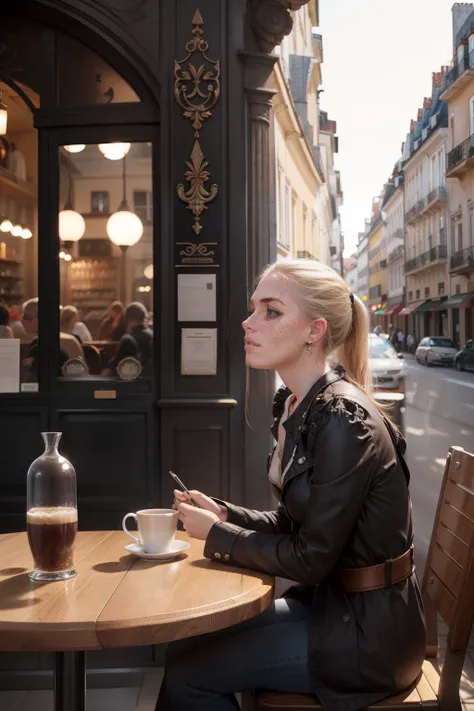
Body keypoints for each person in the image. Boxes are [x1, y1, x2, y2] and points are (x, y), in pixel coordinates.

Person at [157, 259, 426, 711]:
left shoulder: (343, 420)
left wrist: (218, 536)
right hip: (333, 612)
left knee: (191, 674)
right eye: (253, 309)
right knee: (184, 646)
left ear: (314, 330)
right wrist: (226, 514)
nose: (248, 321)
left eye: (271, 311)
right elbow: (294, 521)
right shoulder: (298, 404)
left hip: (367, 639)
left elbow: (312, 558)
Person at [106, 302, 153, 376]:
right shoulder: (153, 335)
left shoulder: (128, 339)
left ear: (127, 318)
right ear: (144, 316)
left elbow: (117, 365)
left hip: (134, 382)